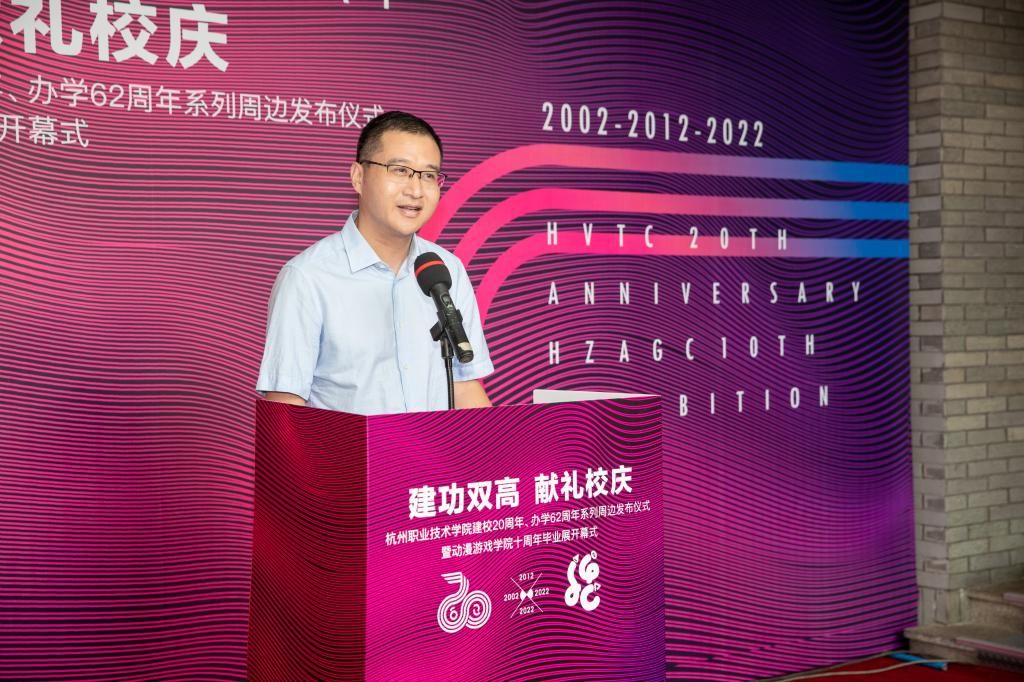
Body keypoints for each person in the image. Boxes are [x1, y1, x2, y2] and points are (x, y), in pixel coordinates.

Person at [256, 111, 493, 414]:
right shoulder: (308, 277)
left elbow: (464, 386)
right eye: (400, 170)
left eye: (428, 175)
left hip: (434, 448)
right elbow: (286, 408)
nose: (415, 190)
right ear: (359, 177)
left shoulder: (447, 271)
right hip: (346, 448)